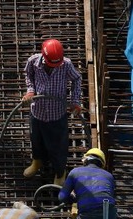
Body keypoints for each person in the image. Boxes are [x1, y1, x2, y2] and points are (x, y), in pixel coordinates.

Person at [21, 38, 83, 186]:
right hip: (38, 112)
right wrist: (30, 91)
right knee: (37, 141)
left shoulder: (66, 64)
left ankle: (60, 172)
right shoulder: (33, 62)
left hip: (57, 114)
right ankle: (37, 162)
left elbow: (77, 79)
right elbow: (28, 75)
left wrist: (75, 101)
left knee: (58, 146)